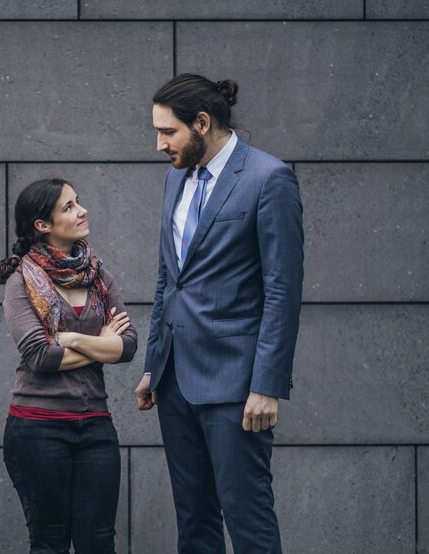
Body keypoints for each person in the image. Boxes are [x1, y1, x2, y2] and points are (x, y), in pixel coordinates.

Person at [134, 74, 304, 553]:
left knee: (247, 519)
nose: (159, 144)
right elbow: (170, 278)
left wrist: (267, 384)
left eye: (168, 132)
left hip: (236, 385)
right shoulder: (174, 178)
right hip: (174, 382)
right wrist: (153, 363)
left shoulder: (269, 179)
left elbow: (282, 291)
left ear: (202, 123)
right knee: (194, 524)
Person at [0, 178, 138, 554]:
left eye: (79, 201)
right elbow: (41, 357)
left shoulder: (98, 277)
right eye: (69, 207)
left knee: (98, 543)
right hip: (37, 430)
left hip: (96, 427)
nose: (82, 210)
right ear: (43, 225)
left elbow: (127, 346)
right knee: (50, 542)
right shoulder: (21, 281)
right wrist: (101, 342)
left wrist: (71, 339)